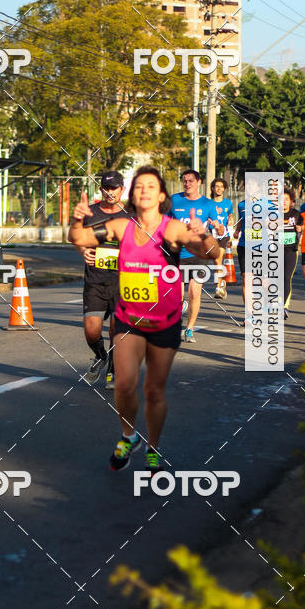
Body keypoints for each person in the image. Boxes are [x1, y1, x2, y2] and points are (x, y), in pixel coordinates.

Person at [68, 165, 218, 474]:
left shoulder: (173, 228)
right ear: (132, 195)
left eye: (151, 186)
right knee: (123, 385)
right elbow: (78, 237)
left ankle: (153, 448)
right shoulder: (121, 226)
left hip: (164, 322)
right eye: (139, 186)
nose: (144, 190)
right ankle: (128, 435)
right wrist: (76, 218)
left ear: (161, 195)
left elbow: (210, 253)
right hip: (129, 319)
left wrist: (205, 237)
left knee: (153, 391)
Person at [79, 171, 128, 389]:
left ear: (122, 189)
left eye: (114, 188)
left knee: (117, 331)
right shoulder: (90, 213)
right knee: (91, 330)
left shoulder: (132, 216)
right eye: (107, 188)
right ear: (101, 189)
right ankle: (100, 356)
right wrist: (83, 251)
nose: (110, 192)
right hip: (95, 281)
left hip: (122, 282)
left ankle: (114, 371)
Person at [170, 170, 224, 342]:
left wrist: (217, 226)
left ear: (199, 182)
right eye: (185, 181)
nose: (187, 184)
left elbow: (221, 230)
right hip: (178, 255)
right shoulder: (174, 200)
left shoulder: (207, 204)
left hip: (199, 254)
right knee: (177, 298)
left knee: (195, 293)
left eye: (191, 181)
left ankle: (190, 329)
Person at [210, 178, 234, 300]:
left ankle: (218, 287)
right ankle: (222, 282)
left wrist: (231, 218)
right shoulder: (208, 203)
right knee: (216, 261)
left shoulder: (228, 203)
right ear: (212, 188)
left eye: (221, 186)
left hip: (223, 235)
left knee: (218, 257)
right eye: (216, 186)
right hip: (212, 234)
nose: (219, 188)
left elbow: (230, 213)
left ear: (224, 189)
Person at [282, 188, 303, 319]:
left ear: (291, 202)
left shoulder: (296, 214)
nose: (283, 202)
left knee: (285, 277)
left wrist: (300, 229)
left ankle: (283, 306)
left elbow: (301, 228)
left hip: (290, 250)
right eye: (281, 200)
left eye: (286, 200)